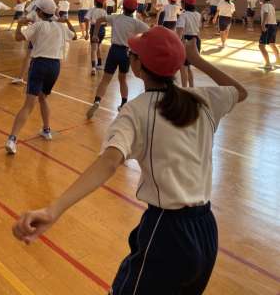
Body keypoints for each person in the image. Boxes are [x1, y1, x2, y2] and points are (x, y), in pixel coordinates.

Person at [13, 27, 247, 295]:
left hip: (166, 232)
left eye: (132, 54)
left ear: (138, 66)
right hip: (205, 229)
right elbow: (240, 92)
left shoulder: (135, 112)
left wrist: (53, 210)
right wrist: (196, 60)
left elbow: (108, 163)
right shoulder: (203, 99)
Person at [5, 0, 77, 155]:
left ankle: (12, 139)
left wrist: (19, 24)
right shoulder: (60, 27)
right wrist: (67, 21)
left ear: (39, 12)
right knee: (43, 97)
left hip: (39, 64)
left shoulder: (38, 25)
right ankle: (46, 130)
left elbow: (18, 38)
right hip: (55, 67)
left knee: (28, 105)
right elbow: (75, 36)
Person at [87, 0, 148, 118]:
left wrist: (95, 35)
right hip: (126, 53)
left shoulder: (116, 18)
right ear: (135, 9)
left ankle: (97, 101)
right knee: (122, 79)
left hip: (114, 51)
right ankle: (123, 104)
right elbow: (150, 32)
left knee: (105, 80)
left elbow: (99, 20)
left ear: (123, 7)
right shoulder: (136, 23)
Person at [176, 0, 202, 87]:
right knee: (188, 66)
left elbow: (179, 33)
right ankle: (191, 87)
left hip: (186, 41)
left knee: (183, 67)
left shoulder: (183, 15)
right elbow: (198, 30)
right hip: (196, 40)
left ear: (184, 3)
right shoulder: (198, 14)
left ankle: (185, 90)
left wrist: (176, 45)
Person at [85, 0, 107, 76]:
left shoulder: (92, 10)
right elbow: (106, 23)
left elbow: (86, 19)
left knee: (93, 49)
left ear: (95, 2)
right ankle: (100, 63)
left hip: (94, 29)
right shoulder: (104, 11)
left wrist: (87, 32)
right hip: (102, 30)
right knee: (97, 46)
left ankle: (93, 67)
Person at [258, 0, 280, 70]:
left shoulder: (265, 5)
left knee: (261, 46)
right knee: (272, 44)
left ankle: (268, 64)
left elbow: (266, 14)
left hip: (268, 26)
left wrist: (263, 25)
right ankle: (278, 61)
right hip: (273, 26)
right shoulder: (271, 5)